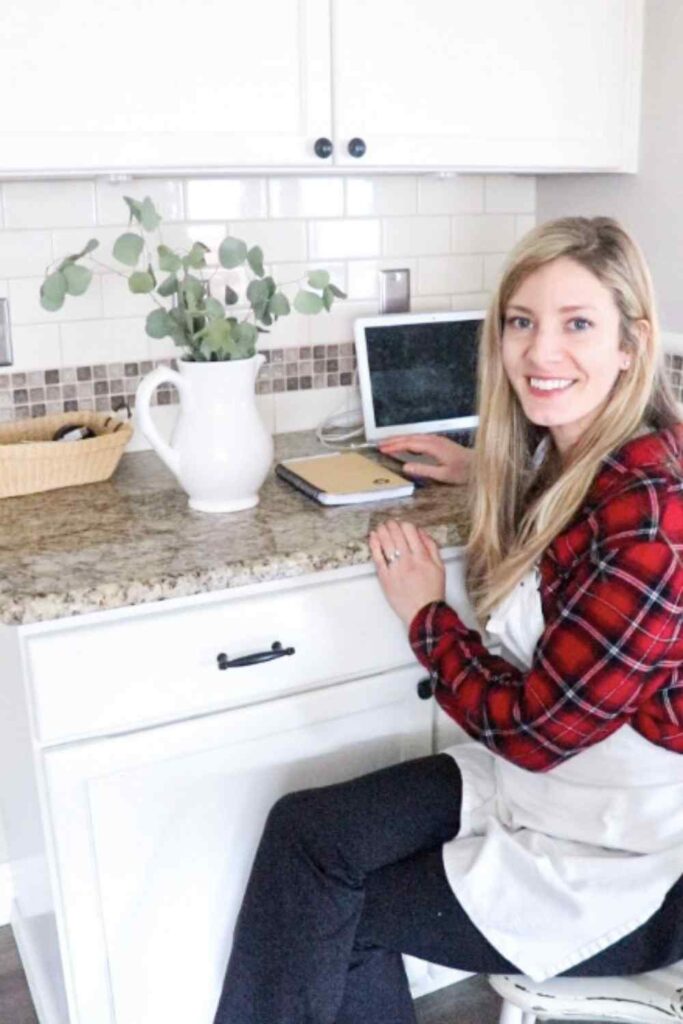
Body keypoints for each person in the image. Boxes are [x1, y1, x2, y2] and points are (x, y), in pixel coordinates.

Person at [212, 217, 683, 1024]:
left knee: (334, 907)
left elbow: (539, 730)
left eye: (576, 324)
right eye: (520, 321)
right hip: (555, 794)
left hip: (625, 862)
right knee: (307, 833)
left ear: (630, 344)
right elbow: (568, 515)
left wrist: (429, 619)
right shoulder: (584, 458)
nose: (540, 353)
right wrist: (484, 470)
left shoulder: (652, 512)